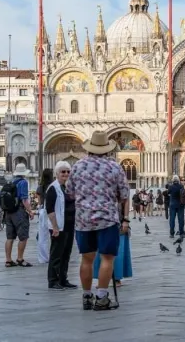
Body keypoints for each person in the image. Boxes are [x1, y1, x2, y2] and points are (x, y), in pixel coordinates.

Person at [66, 131, 128, 311]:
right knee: (107, 259)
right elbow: (124, 195)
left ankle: (86, 296)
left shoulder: (77, 166)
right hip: (107, 219)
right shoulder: (114, 167)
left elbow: (70, 192)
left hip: (83, 219)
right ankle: (101, 297)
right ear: (107, 150)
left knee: (86, 259)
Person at [46, 161, 76, 290]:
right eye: (63, 172)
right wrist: (55, 227)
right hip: (58, 226)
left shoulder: (66, 187)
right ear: (57, 173)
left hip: (69, 225)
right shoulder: (53, 188)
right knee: (56, 254)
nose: (66, 174)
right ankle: (53, 280)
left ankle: (63, 279)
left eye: (68, 171)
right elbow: (50, 209)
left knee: (66, 253)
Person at [4, 164, 35, 268]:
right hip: (19, 211)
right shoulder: (23, 182)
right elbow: (24, 199)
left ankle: (8, 260)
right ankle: (20, 258)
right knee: (23, 237)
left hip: (8, 212)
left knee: (10, 237)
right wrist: (30, 211)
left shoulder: (11, 181)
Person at [37, 168, 55, 264]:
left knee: (43, 235)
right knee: (55, 233)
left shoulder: (41, 187)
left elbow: (39, 202)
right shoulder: (54, 186)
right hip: (53, 211)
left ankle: (43, 257)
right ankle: (54, 255)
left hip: (43, 211)